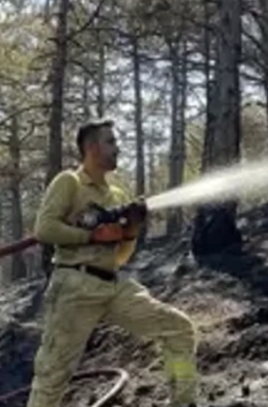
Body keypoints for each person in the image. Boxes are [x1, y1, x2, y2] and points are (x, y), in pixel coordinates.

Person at [26, 120, 199, 407]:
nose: (118, 149)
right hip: (75, 287)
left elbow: (119, 256)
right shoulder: (69, 182)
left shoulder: (117, 195)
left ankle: (184, 400)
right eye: (111, 142)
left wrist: (130, 231)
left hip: (112, 283)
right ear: (92, 148)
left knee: (179, 328)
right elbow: (44, 229)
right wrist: (91, 235)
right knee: (52, 375)